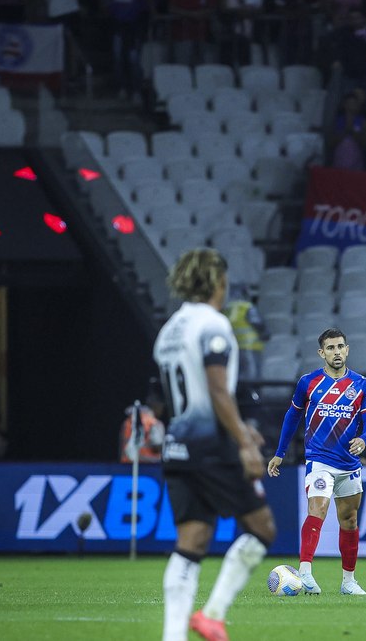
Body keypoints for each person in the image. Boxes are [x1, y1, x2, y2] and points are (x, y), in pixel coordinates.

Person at [155, 248, 277, 641]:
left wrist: (240, 427)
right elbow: (217, 389)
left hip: (176, 444)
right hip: (210, 446)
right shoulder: (214, 324)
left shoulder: (168, 330)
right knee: (262, 528)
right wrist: (243, 441)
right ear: (219, 283)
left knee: (192, 539)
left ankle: (173, 636)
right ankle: (213, 614)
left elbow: (178, 397)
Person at [267, 328, 366, 596]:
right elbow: (292, 418)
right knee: (317, 508)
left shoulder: (361, 385)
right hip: (319, 460)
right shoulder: (308, 382)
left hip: (349, 463)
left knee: (349, 520)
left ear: (347, 349)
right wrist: (280, 452)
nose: (336, 352)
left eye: (340, 346)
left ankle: (348, 581)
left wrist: (364, 439)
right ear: (321, 353)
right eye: (330, 348)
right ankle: (305, 573)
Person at [225, 288, 267, 382]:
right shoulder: (247, 307)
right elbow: (258, 323)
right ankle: (253, 395)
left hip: (234, 347)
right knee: (253, 376)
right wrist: (265, 335)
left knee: (238, 375)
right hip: (251, 346)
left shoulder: (228, 309)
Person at [119, 386, 167, 464]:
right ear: (156, 404)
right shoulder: (154, 423)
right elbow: (157, 446)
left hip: (126, 468)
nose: (162, 410)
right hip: (148, 469)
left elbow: (121, 448)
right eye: (162, 406)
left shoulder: (128, 421)